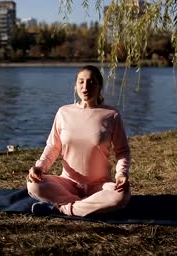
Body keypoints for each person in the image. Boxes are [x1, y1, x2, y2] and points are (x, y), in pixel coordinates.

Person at [27, 65, 131, 217]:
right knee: (33, 185)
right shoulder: (64, 112)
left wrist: (121, 174)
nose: (85, 86)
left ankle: (63, 208)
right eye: (81, 82)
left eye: (91, 82)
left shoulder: (111, 115)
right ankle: (84, 205)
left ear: (99, 86)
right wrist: (40, 167)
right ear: (75, 86)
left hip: (99, 185)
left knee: (122, 196)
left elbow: (122, 151)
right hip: (67, 184)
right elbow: (53, 147)